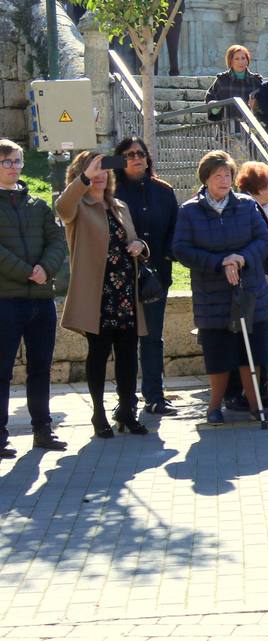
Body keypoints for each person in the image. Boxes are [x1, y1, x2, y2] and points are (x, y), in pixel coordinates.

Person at [172, 151, 268, 425]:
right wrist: (219, 262)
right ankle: (214, 407)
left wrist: (240, 259)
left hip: (248, 291)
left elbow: (263, 240)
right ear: (205, 179)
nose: (224, 179)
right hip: (212, 294)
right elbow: (181, 249)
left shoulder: (246, 205)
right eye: (218, 175)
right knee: (218, 354)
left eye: (228, 174)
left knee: (249, 351)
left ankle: (256, 405)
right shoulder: (190, 210)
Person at [57, 150, 152, 438]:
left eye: (103, 170)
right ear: (80, 175)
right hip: (97, 295)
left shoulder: (119, 206)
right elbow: (62, 206)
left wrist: (140, 247)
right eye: (93, 171)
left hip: (125, 292)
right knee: (98, 355)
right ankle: (99, 413)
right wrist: (84, 179)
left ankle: (127, 410)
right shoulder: (77, 205)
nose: (100, 175)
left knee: (127, 356)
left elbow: (134, 241)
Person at [0, 139, 68, 454]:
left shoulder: (37, 204)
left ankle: (42, 429)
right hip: (7, 299)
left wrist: (45, 269)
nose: (14, 167)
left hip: (40, 300)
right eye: (7, 162)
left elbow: (57, 240)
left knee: (40, 368)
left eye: (17, 161)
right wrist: (27, 270)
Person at [112, 137, 179, 415]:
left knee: (152, 337)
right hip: (120, 277)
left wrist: (164, 256)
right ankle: (125, 399)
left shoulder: (163, 191)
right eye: (128, 155)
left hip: (155, 278)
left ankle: (154, 396)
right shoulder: (111, 192)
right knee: (124, 339)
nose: (136, 158)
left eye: (141, 153)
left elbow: (176, 230)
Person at [204, 45, 263, 123]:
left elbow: (265, 103)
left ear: (247, 60)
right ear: (230, 61)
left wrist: (256, 105)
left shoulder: (256, 80)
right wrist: (215, 106)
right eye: (236, 59)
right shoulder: (222, 80)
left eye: (243, 58)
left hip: (250, 127)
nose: (241, 62)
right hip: (226, 128)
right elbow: (210, 98)